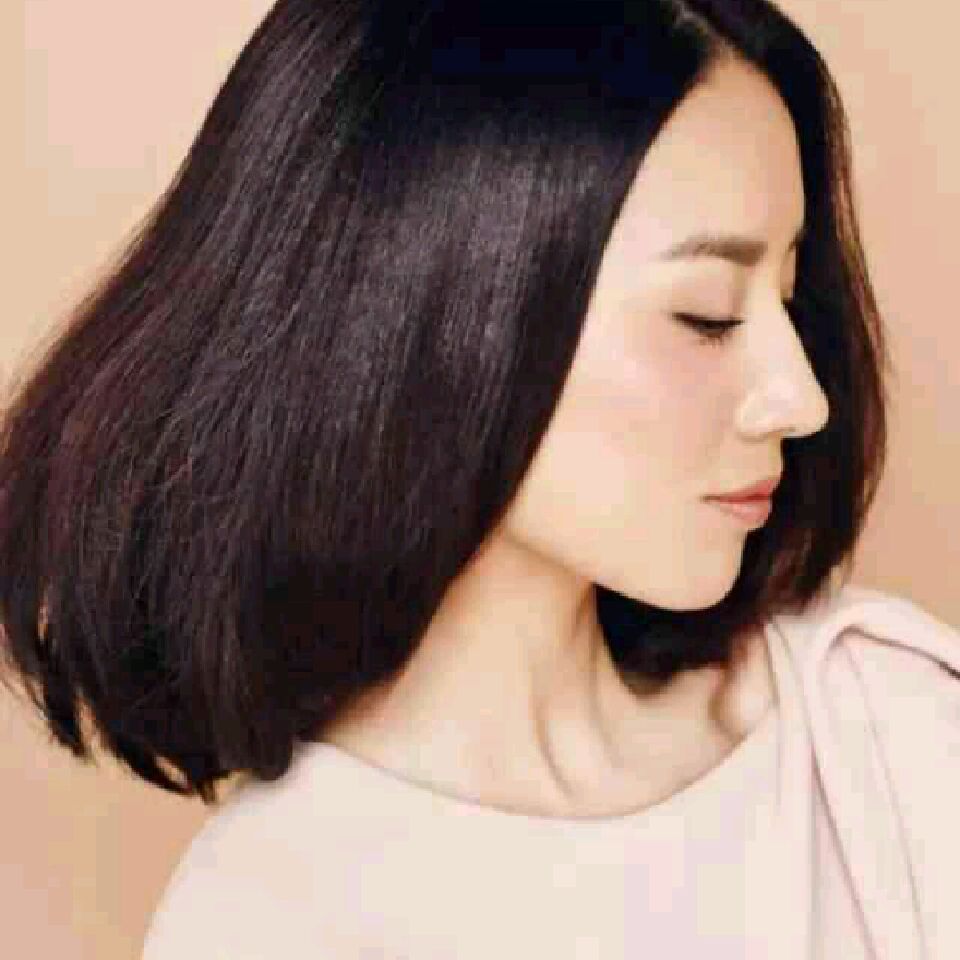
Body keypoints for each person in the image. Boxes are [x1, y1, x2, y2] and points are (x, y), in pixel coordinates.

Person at [1, 1, 956, 957]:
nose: (801, 399)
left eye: (788, 299)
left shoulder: (877, 727)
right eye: (707, 315)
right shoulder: (271, 921)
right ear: (438, 313)